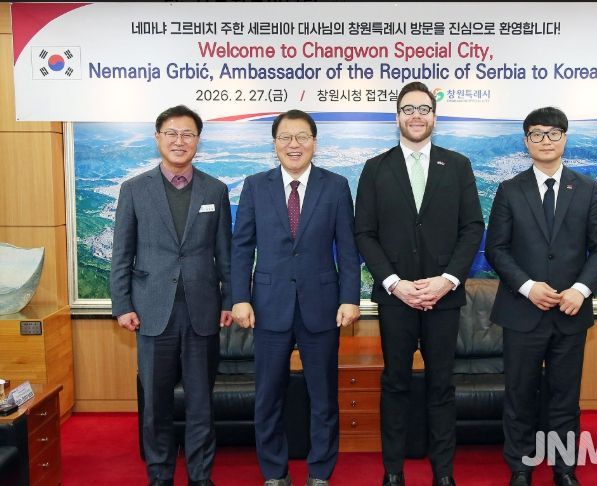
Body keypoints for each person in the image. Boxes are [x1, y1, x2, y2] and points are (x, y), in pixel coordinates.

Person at [354, 82, 485, 486]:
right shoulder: (376, 168)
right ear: (396, 116)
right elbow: (364, 233)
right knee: (395, 383)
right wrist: (395, 283)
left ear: (434, 116)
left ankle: (443, 472)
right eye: (408, 109)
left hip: (444, 298)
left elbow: (472, 227)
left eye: (424, 109)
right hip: (396, 299)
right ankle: (393, 471)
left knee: (441, 386)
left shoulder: (457, 165)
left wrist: (447, 280)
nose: (416, 116)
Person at [484, 107, 597, 486]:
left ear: (565, 139)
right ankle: (520, 468)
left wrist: (580, 290)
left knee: (565, 396)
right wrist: (528, 286)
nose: (546, 140)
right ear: (526, 141)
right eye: (537, 134)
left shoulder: (587, 188)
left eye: (553, 133)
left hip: (570, 313)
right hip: (522, 312)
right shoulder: (510, 189)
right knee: (519, 394)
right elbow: (496, 249)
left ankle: (564, 468)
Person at [230, 109, 361, 486]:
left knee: (324, 398)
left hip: (322, 306)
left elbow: (347, 249)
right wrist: (240, 297)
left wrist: (349, 297)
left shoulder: (335, 186)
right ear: (274, 144)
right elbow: (242, 247)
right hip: (268, 306)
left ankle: (320, 473)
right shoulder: (256, 185)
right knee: (268, 396)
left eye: (302, 136)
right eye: (285, 137)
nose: (294, 144)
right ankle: (274, 472)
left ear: (314, 143)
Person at [110, 105, 233, 486]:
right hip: (151, 311)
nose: (180, 141)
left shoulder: (215, 189)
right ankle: (160, 475)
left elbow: (225, 253)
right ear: (158, 138)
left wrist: (229, 300)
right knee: (156, 404)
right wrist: (122, 305)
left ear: (198, 140)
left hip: (202, 312)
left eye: (188, 134)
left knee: (200, 403)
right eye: (172, 133)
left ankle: (200, 476)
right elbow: (121, 254)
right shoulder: (134, 189)